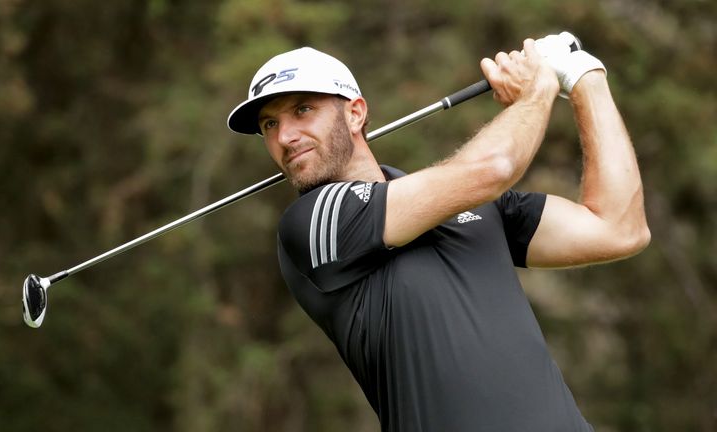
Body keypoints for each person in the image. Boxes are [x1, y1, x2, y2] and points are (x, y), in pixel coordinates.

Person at [226, 36, 650, 431]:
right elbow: (494, 168)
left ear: (355, 113)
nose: (285, 136)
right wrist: (538, 89)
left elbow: (619, 228)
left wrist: (582, 77)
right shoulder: (315, 221)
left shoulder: (472, 205)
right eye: (269, 125)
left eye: (303, 110)